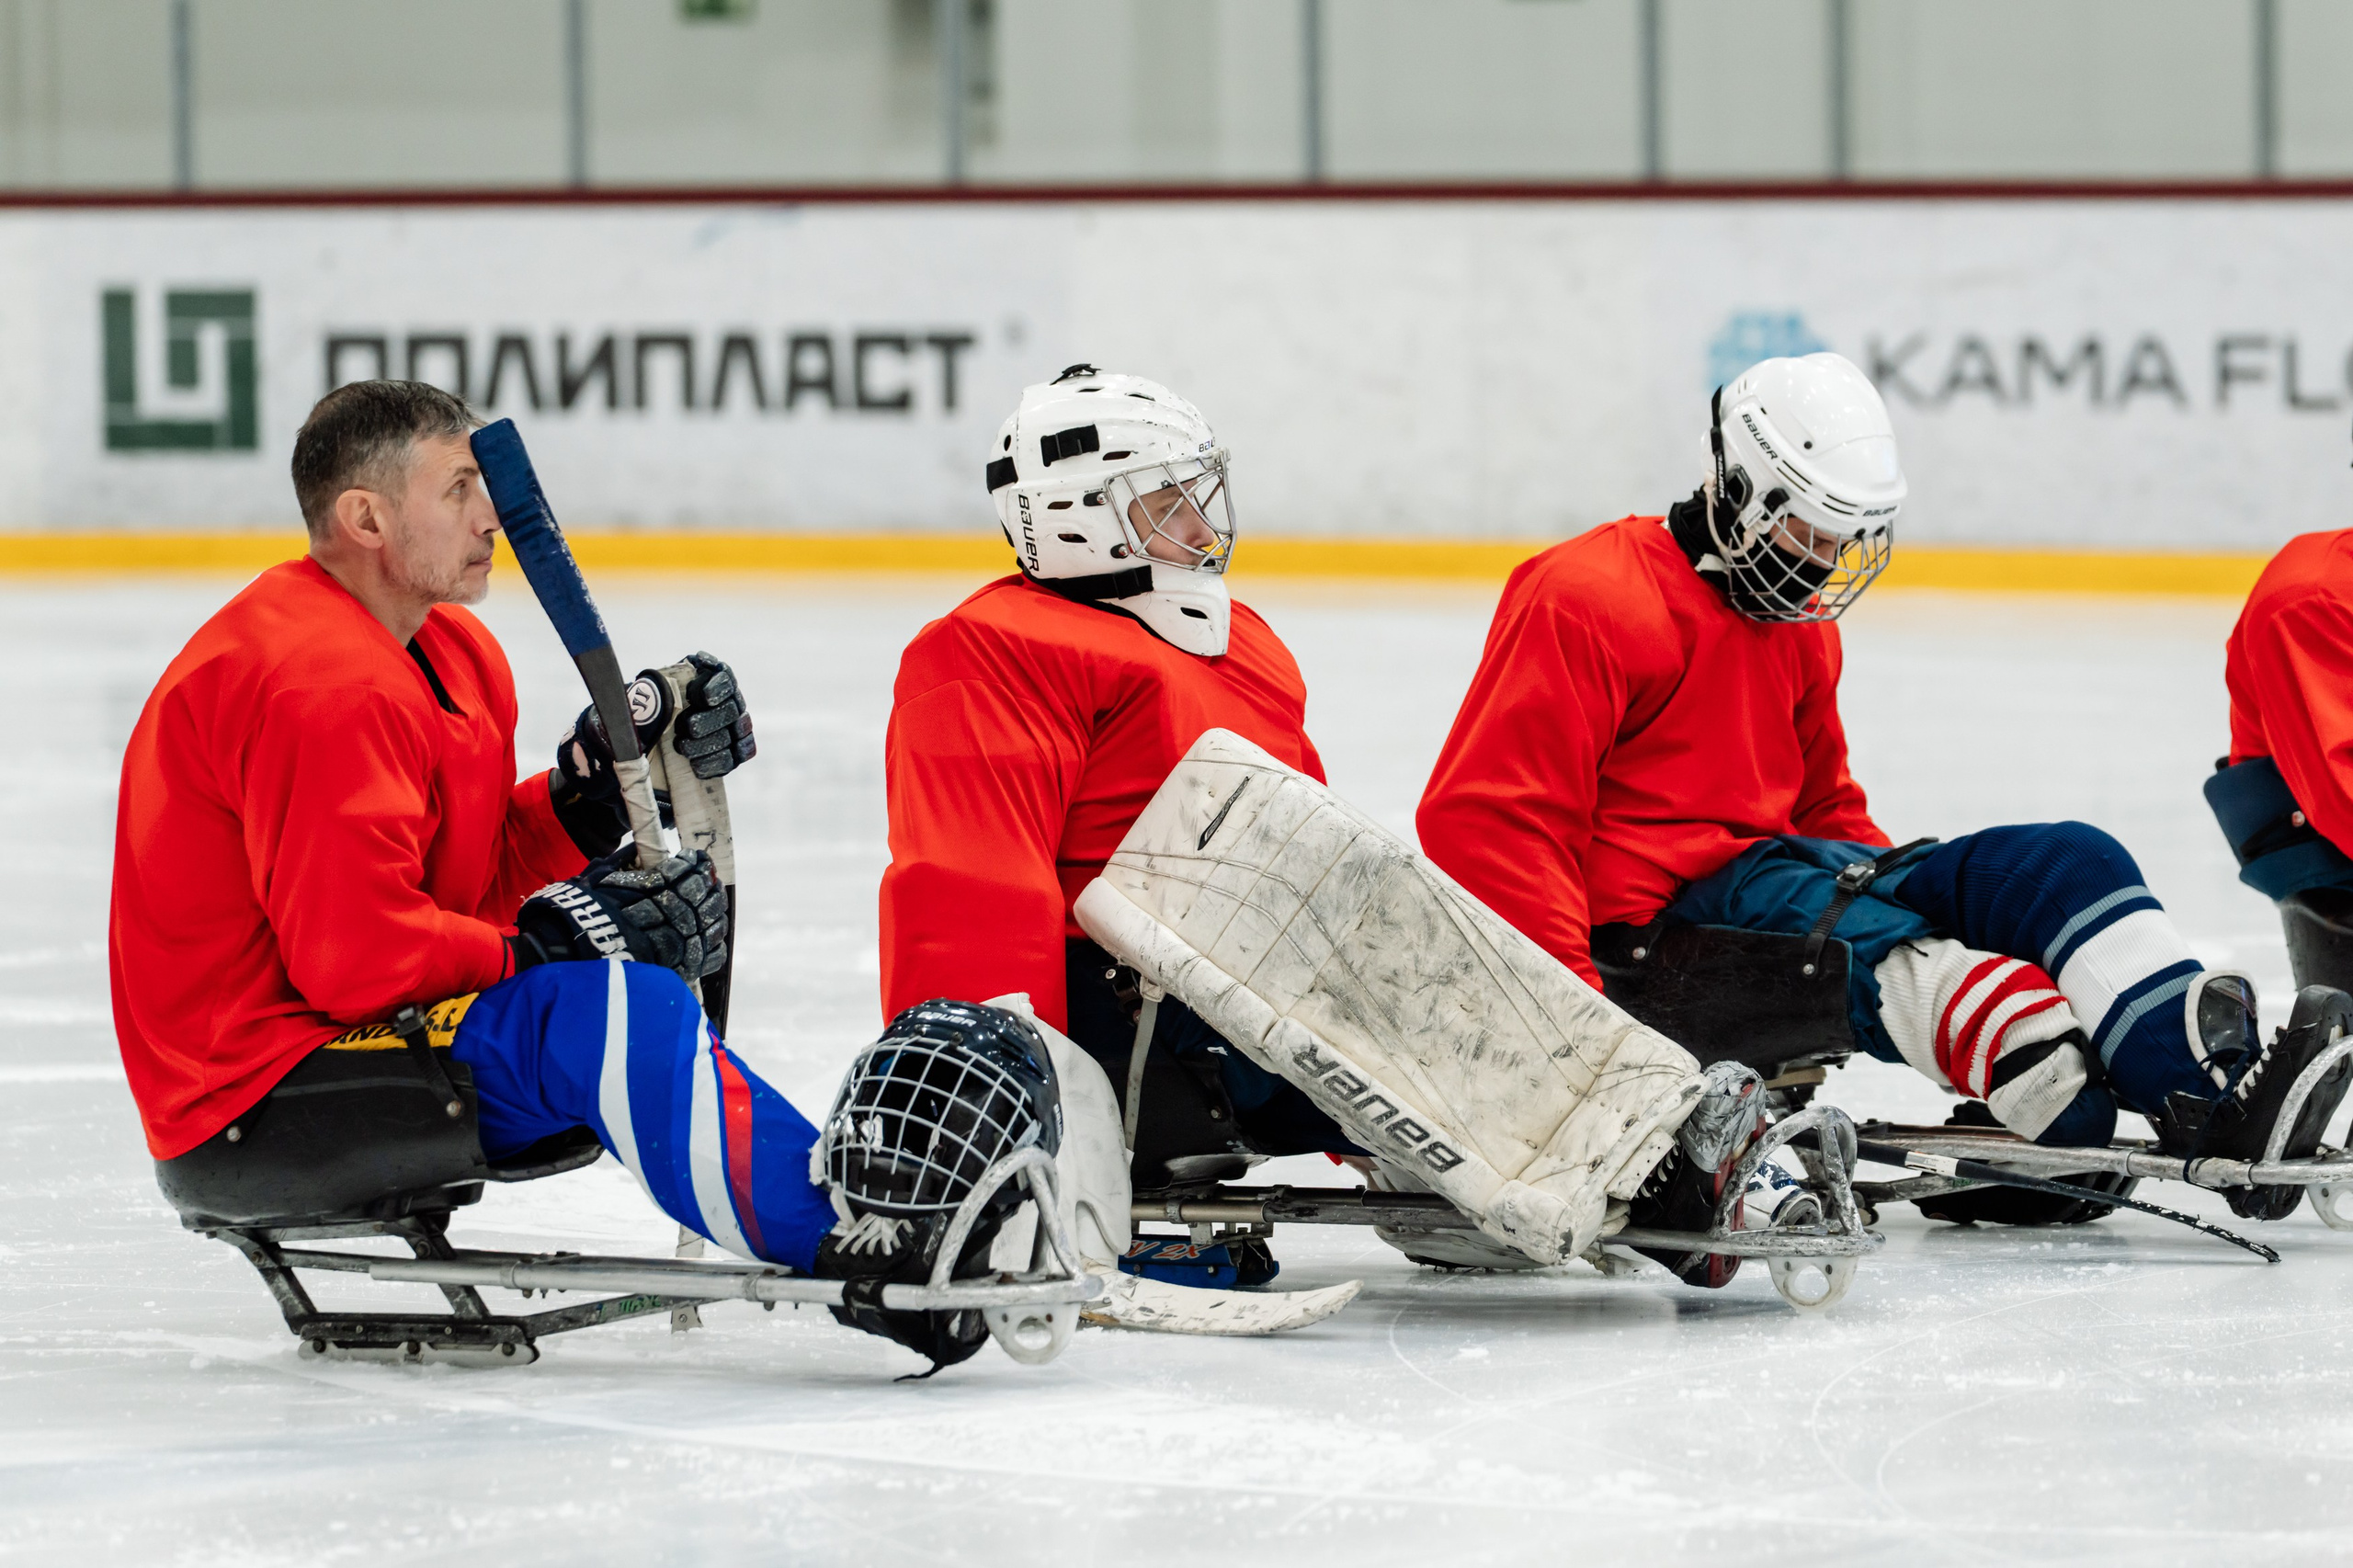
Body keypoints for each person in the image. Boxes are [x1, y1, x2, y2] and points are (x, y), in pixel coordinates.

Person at [108, 380, 977, 1358]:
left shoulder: (452, 652)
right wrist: (551, 942)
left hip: (332, 1041)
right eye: (461, 488)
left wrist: (582, 801)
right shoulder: (316, 683)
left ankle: (840, 1203)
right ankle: (860, 1249)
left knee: (610, 995)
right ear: (367, 516)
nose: (492, 517)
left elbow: (459, 878)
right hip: (253, 1097)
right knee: (607, 1014)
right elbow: (353, 962)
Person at [1415, 352, 2352, 1224]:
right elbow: (1488, 820)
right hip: (1650, 943)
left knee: (2069, 862)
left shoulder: (1798, 625)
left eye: (1848, 534)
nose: (1824, 556)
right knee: (1988, 1006)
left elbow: (1826, 810)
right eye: (1808, 523)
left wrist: (1920, 901)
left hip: (1785, 883)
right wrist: (1583, 1029)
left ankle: (2210, 1096)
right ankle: (2059, 1117)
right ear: (1736, 485)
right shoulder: (1586, 595)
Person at [878, 366, 1358, 1238]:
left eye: (1197, 494)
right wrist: (1002, 1131)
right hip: (1139, 1030)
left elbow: (1315, 853)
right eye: (1165, 503)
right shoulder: (990, 651)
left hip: (1250, 1010)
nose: (1200, 524)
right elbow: (971, 903)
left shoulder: (1245, 643)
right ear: (1077, 518)